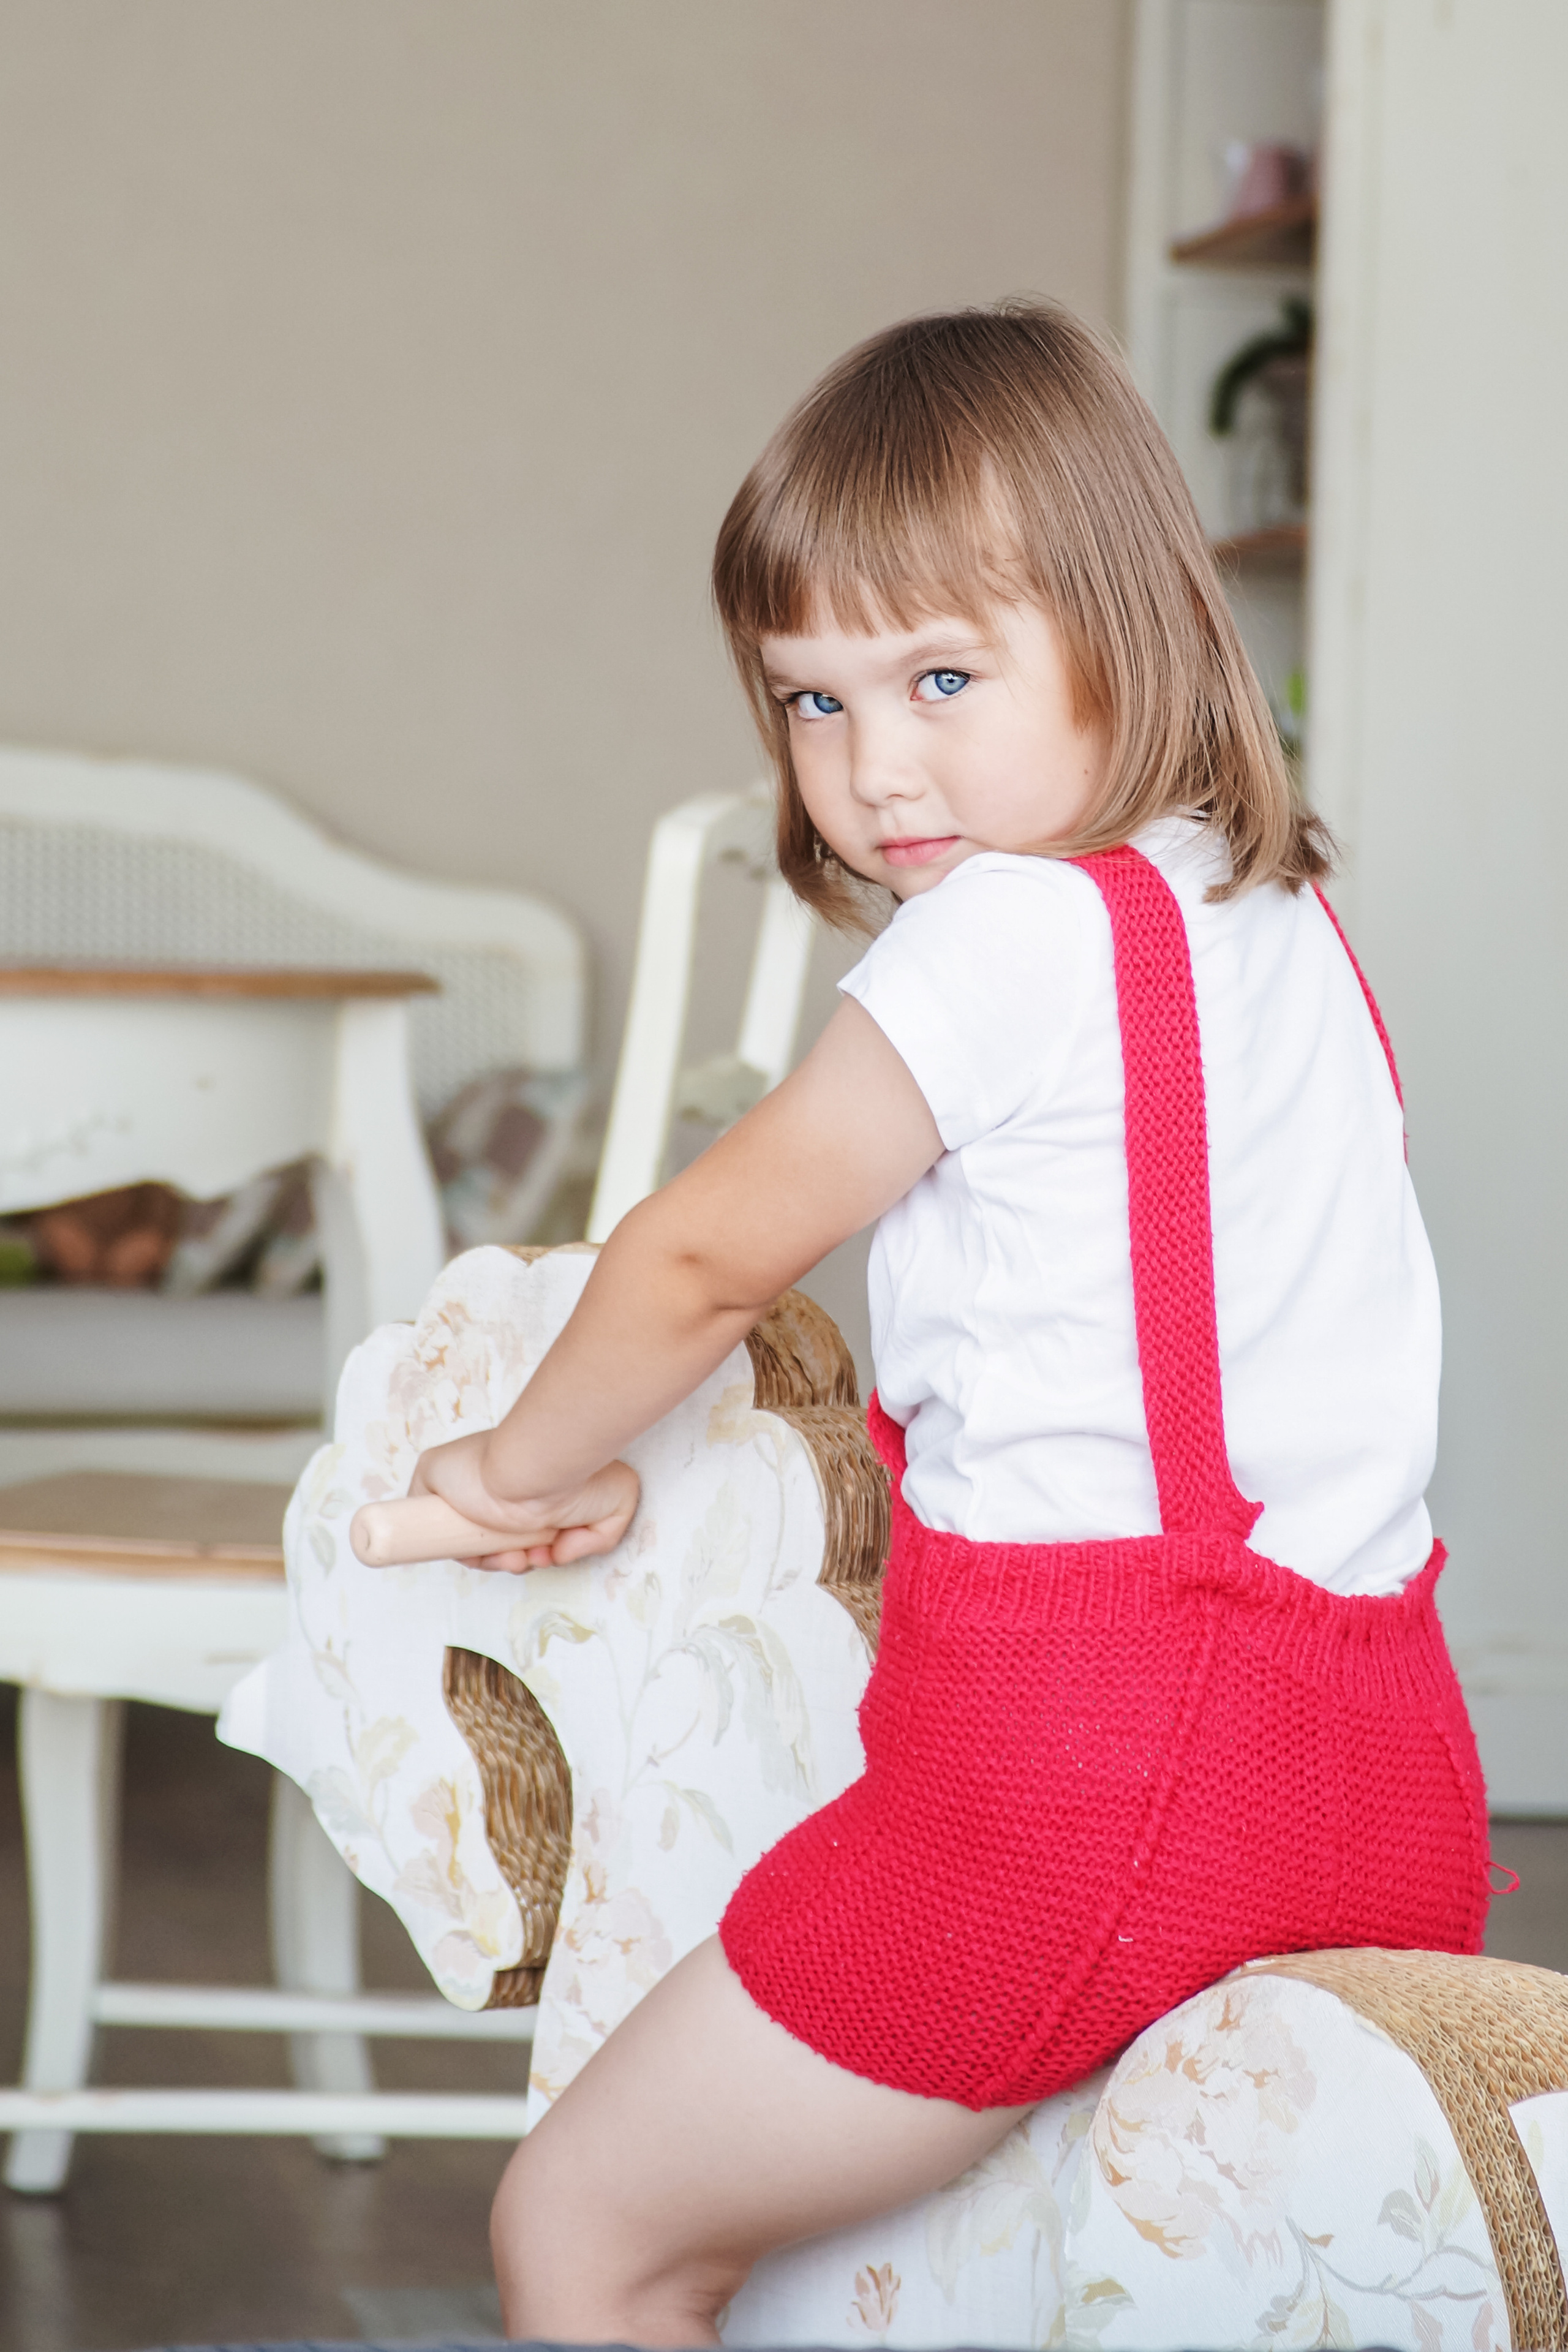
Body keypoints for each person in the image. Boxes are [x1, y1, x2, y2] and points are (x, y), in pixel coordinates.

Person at [408, 301, 1489, 2345]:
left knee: (589, 2233)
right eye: (810, 703)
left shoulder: (1002, 932)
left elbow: (696, 1263)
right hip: (1377, 1757)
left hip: (1082, 1783)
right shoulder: (1278, 919)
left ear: (1139, 620)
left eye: (937, 676)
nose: (873, 770)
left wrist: (506, 1468)